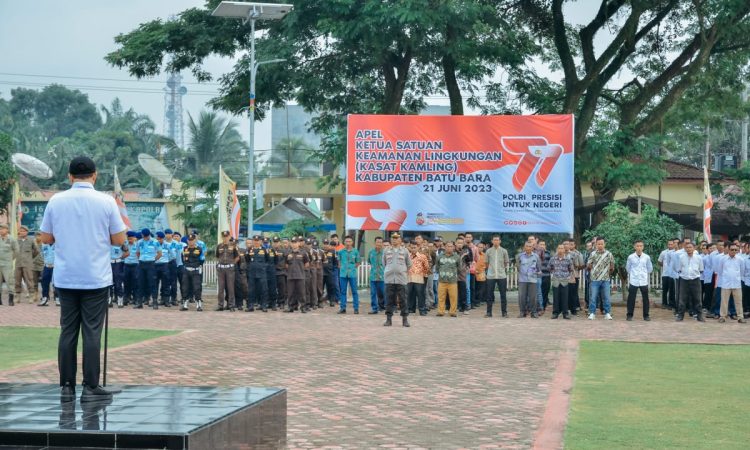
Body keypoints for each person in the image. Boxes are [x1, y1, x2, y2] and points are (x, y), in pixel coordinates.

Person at [39, 156, 127, 402]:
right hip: (95, 278)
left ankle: (67, 386)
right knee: (91, 332)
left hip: (66, 277)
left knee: (68, 331)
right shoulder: (106, 201)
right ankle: (90, 386)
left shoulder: (56, 201)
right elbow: (119, 239)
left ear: (69, 176)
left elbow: (45, 238)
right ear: (94, 175)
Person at [383, 233, 412, 327]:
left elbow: (409, 264)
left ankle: (405, 319)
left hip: (401, 279)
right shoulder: (386, 250)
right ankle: (388, 319)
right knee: (389, 300)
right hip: (389, 279)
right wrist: (390, 270)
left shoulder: (405, 251)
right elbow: (384, 263)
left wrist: (402, 271)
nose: (394, 240)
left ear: (400, 240)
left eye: (396, 238)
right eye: (393, 238)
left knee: (403, 299)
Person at [587, 237, 615, 320]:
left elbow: (612, 265)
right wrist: (593, 270)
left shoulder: (609, 254)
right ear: (596, 244)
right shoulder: (592, 254)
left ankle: (607, 313)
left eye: (601, 244)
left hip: (605, 279)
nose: (600, 245)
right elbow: (588, 265)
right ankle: (592, 313)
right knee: (593, 297)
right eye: (598, 244)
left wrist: (607, 273)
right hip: (594, 279)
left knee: (606, 297)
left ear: (604, 244)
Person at [717, 244, 746, 323]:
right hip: (726, 283)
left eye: (735, 250)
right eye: (732, 249)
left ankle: (740, 317)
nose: (734, 251)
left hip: (737, 283)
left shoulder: (740, 259)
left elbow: (742, 271)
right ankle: (722, 316)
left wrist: (736, 277)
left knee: (739, 301)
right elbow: (720, 271)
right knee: (724, 301)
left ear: (737, 250)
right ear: (728, 250)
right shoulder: (723, 259)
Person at [676, 242, 704, 322]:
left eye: (690, 247)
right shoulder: (681, 257)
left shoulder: (698, 258)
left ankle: (699, 316)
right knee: (682, 299)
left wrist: (694, 274)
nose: (689, 249)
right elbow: (679, 268)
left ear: (694, 248)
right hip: (684, 280)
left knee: (697, 298)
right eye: (687, 247)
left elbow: (701, 269)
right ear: (685, 248)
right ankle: (680, 316)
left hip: (695, 280)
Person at [625, 240, 653, 321]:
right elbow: (628, 268)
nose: (639, 248)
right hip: (633, 281)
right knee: (631, 299)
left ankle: (646, 315)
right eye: (637, 246)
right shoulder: (630, 257)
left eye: (641, 246)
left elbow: (650, 268)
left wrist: (643, 274)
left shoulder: (647, 257)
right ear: (634, 247)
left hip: (643, 281)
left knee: (645, 299)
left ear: (643, 247)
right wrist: (634, 274)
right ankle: (629, 315)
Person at [135, 228, 161, 309]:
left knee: (152, 283)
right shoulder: (139, 242)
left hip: (151, 264)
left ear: (149, 235)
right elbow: (138, 253)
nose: (145, 237)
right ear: (142, 235)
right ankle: (139, 303)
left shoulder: (155, 242)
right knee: (140, 283)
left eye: (146, 236)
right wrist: (141, 259)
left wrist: (153, 260)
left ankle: (155, 302)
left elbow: (160, 253)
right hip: (142, 264)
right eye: (144, 236)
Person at [485, 235, 509, 318]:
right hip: (490, 276)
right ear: (492, 241)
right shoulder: (488, 251)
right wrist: (491, 270)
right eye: (494, 240)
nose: (496, 241)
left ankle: (504, 313)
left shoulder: (504, 251)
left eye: (497, 240)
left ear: (500, 241)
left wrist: (500, 269)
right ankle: (488, 313)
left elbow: (506, 263)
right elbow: (487, 263)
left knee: (503, 295)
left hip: (501, 275)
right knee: (489, 295)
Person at [548, 243, 574, 319]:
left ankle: (565, 313)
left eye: (562, 248)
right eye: (559, 248)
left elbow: (571, 269)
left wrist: (567, 276)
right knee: (556, 298)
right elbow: (549, 267)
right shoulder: (553, 259)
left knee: (565, 298)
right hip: (556, 280)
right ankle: (555, 313)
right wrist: (554, 272)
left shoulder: (568, 259)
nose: (560, 250)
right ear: (557, 249)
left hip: (564, 281)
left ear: (564, 250)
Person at [516, 242, 541, 318]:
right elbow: (518, 267)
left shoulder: (536, 256)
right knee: (522, 297)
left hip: (533, 279)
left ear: (532, 247)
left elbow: (538, 267)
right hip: (522, 280)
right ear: (524, 247)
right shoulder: (520, 256)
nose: (528, 248)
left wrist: (536, 274)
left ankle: (533, 312)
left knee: (533, 297)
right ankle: (522, 312)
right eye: (527, 246)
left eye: (530, 246)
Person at [15, 225, 39, 304]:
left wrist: (30, 258)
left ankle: (31, 296)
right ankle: (17, 297)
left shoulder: (31, 240)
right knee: (17, 280)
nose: (22, 232)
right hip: (18, 263)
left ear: (27, 232)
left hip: (28, 264)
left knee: (29, 280)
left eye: (24, 231)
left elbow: (36, 251)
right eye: (21, 231)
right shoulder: (16, 241)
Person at [215, 231, 239, 311]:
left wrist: (232, 264)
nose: (225, 238)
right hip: (221, 269)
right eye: (224, 237)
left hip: (230, 269)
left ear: (229, 237)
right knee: (221, 288)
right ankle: (220, 305)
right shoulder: (219, 246)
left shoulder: (233, 246)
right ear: (222, 237)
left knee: (230, 288)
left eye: (226, 236)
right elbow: (217, 256)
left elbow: (237, 257)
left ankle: (231, 305)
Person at [180, 234, 204, 312]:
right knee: (185, 287)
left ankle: (198, 304)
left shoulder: (199, 249)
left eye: (192, 240)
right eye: (189, 240)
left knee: (197, 287)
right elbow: (182, 258)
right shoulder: (184, 249)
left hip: (196, 270)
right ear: (187, 241)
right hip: (186, 270)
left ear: (195, 240)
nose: (191, 242)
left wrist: (197, 266)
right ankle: (185, 304)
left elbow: (202, 259)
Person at [436, 241, 460, 317]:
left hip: (452, 281)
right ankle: (441, 311)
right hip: (442, 280)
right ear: (445, 247)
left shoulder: (457, 257)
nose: (449, 248)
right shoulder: (439, 256)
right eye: (448, 246)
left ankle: (452, 312)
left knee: (453, 297)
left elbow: (459, 268)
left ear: (453, 247)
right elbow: (437, 267)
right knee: (441, 297)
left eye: (451, 246)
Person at [284, 237, 309, 312]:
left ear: (298, 243)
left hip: (300, 276)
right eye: (293, 242)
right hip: (290, 276)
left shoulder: (303, 253)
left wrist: (300, 269)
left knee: (301, 292)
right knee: (291, 292)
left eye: (295, 242)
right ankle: (291, 307)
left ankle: (303, 307)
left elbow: (307, 264)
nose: (294, 244)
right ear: (291, 244)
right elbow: (286, 265)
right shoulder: (288, 253)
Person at [337, 235, 361, 314]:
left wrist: (352, 267)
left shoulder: (355, 251)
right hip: (343, 274)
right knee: (343, 291)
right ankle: (343, 308)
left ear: (352, 242)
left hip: (352, 274)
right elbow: (339, 261)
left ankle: (356, 308)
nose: (348, 243)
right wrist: (341, 267)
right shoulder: (340, 251)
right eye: (346, 241)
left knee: (354, 291)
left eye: (349, 241)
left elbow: (358, 262)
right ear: (344, 242)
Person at [246, 234, 269, 312]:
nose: (256, 242)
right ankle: (250, 306)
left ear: (261, 241)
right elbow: (247, 260)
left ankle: (263, 305)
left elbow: (268, 260)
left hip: (262, 273)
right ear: (253, 241)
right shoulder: (249, 250)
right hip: (252, 273)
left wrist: (263, 267)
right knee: (251, 290)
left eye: (258, 241)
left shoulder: (264, 250)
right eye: (255, 241)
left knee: (263, 290)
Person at [407, 242, 430, 316]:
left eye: (414, 247)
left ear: (418, 247)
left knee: (420, 294)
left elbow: (426, 267)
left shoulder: (422, 256)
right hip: (409, 277)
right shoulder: (408, 256)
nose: (413, 249)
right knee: (410, 294)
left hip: (419, 277)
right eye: (411, 247)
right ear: (409, 248)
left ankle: (422, 309)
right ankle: (411, 309)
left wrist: (423, 274)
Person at [0, 223, 17, 306]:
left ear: (7, 230)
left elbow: (16, 251)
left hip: (7, 264)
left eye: (3, 229)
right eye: (0, 229)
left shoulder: (12, 239)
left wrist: (10, 259)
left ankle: (11, 299)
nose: (1, 230)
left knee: (9, 281)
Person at [367, 237, 385, 314]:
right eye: (378, 242)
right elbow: (369, 261)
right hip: (373, 276)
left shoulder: (385, 252)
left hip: (382, 276)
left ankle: (385, 308)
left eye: (381, 242)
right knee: (373, 293)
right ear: (375, 243)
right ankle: (374, 308)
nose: (379, 244)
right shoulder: (371, 252)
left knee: (383, 293)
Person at [122, 231, 139, 308]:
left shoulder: (138, 244)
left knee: (135, 282)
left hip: (135, 265)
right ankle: (126, 298)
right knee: (126, 282)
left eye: (131, 238)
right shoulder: (124, 244)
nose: (130, 240)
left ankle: (135, 299)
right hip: (126, 265)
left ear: (134, 238)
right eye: (128, 238)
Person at [109, 239, 128, 308]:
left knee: (118, 282)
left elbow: (127, 252)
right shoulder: (107, 242)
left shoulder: (121, 242)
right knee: (109, 282)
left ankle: (120, 299)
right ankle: (109, 299)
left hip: (118, 263)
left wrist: (120, 257)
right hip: (109, 263)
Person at [39, 240, 56, 306]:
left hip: (56, 267)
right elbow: (42, 254)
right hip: (46, 266)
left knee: (56, 283)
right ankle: (45, 298)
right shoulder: (44, 245)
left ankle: (57, 298)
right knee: (44, 282)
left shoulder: (57, 245)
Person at [322, 239, 339, 306]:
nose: (325, 245)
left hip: (330, 273)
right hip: (322, 273)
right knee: (320, 287)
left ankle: (332, 301)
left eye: (327, 244)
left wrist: (332, 270)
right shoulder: (320, 251)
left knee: (331, 287)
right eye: (324, 243)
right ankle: (320, 301)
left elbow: (335, 262)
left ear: (329, 245)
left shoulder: (333, 252)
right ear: (323, 244)